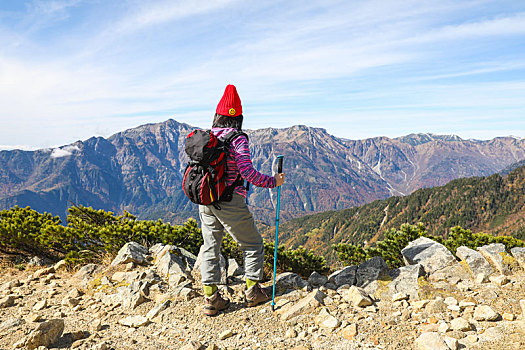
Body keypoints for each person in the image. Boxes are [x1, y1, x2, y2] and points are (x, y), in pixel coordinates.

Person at [199, 84, 285, 316]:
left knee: (210, 246)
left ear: (217, 115)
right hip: (230, 200)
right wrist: (272, 182)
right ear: (238, 117)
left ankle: (211, 299)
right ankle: (252, 292)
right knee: (253, 244)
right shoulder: (238, 139)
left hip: (205, 199)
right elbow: (247, 172)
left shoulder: (207, 137)